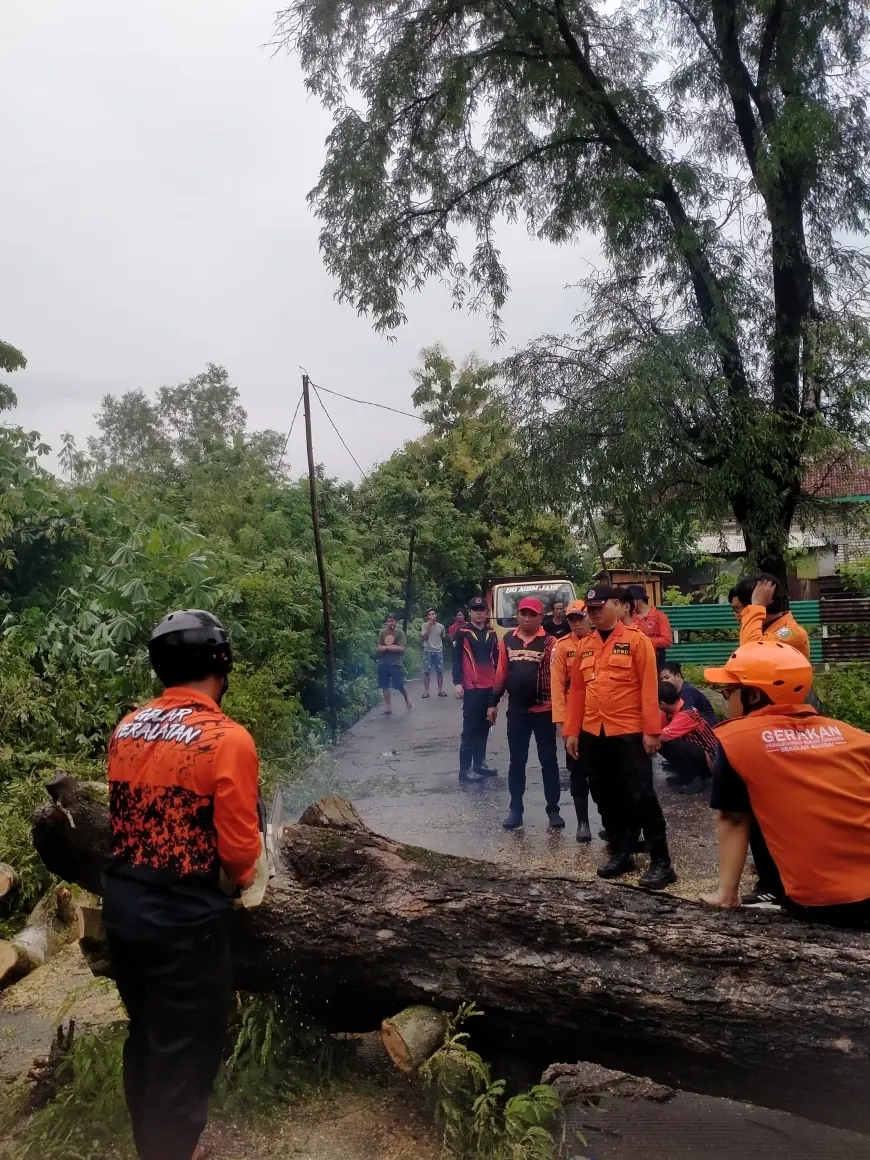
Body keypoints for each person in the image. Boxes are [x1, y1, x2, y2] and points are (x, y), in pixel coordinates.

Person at [102, 610, 262, 1160]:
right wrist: (247, 879)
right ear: (222, 662)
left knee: (147, 1038)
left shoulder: (127, 727)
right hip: (183, 927)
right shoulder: (227, 739)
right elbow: (241, 854)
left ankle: (155, 1147)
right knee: (186, 1058)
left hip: (123, 912)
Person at [701, 640, 870, 928]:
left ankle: (773, 893)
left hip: (824, 902)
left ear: (752, 695)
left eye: (728, 691)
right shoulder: (853, 736)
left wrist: (726, 895)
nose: (725, 698)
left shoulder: (738, 741)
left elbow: (733, 820)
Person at [563, 586, 676, 889]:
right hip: (592, 733)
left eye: (600, 607)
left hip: (628, 732)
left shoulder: (637, 641)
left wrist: (652, 731)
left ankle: (661, 861)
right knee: (603, 794)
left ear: (618, 605)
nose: (595, 613)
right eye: (591, 609)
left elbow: (649, 689)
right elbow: (576, 693)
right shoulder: (585, 645)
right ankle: (621, 851)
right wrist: (571, 732)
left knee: (640, 795)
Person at [487, 596, 562, 830]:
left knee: (548, 761)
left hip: (544, 711)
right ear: (518, 615)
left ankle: (553, 811)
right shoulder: (508, 639)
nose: (527, 618)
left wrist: (562, 713)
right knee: (517, 762)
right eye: (523, 614)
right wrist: (493, 702)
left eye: (533, 614)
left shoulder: (551, 642)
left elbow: (559, 678)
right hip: (517, 712)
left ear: (541, 617)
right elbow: (501, 672)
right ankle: (515, 810)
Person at [550, 600, 593, 841]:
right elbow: (557, 687)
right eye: (572, 619)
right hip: (574, 719)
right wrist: (561, 723)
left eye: (580, 617)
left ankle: (610, 822)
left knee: (602, 773)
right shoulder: (561, 647)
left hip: (600, 717)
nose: (576, 623)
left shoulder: (601, 642)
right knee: (577, 773)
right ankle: (582, 823)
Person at [453, 595, 499, 783]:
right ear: (469, 612)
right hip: (471, 687)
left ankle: (479, 763)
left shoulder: (492, 633)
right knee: (470, 728)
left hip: (489, 686)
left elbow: (497, 660)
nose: (479, 613)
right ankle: (464, 770)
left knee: (485, 725)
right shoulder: (462, 632)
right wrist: (457, 682)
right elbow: (455, 659)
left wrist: (500, 685)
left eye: (482, 610)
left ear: (486, 613)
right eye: (475, 610)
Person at [729, 573, 810, 658]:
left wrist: (757, 606)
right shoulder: (758, 631)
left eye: (737, 609)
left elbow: (749, 654)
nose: (736, 615)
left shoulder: (793, 633)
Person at [658, 681, 718, 794]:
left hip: (711, 759)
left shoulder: (685, 715)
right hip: (701, 754)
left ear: (662, 703)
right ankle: (686, 775)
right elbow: (658, 727)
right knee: (664, 741)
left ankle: (694, 780)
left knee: (665, 743)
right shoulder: (674, 709)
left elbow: (660, 736)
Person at [659, 660, 717, 726]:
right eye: (661, 679)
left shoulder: (687, 693)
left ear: (678, 676)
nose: (664, 681)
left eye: (667, 677)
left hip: (708, 730)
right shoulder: (677, 690)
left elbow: (683, 718)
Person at [628, 584, 673, 666]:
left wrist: (644, 641)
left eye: (630, 601)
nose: (628, 604)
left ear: (639, 600)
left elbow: (667, 641)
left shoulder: (659, 616)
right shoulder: (630, 617)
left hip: (654, 659)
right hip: (634, 660)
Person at [377, 614, 412, 714]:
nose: (390, 623)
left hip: (396, 663)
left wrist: (387, 648)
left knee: (399, 685)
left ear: (395, 622)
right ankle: (388, 706)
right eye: (388, 621)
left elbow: (401, 648)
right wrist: (391, 647)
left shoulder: (400, 633)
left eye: (392, 621)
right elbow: (379, 647)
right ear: (386, 623)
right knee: (384, 685)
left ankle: (407, 699)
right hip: (383, 662)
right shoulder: (382, 633)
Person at [421, 609, 448, 698]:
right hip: (428, 651)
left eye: (433, 614)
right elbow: (424, 637)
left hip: (438, 651)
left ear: (436, 615)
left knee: (439, 672)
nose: (431, 615)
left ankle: (440, 691)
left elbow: (443, 637)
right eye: (429, 614)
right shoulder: (424, 625)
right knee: (426, 672)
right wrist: (429, 626)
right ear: (427, 617)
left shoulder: (441, 626)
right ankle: (426, 692)